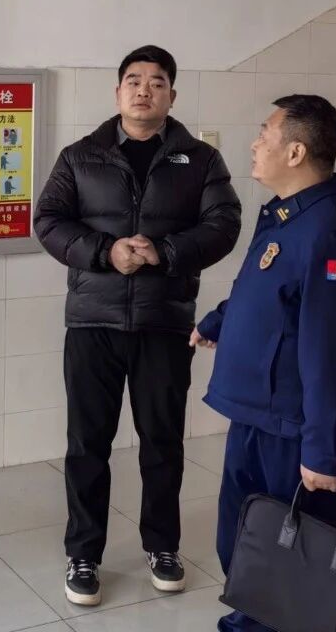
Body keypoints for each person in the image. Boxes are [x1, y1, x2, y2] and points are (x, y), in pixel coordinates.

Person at [34, 45, 243, 607]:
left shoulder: (201, 160)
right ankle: (83, 553)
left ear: (172, 95)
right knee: (87, 445)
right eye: (133, 80)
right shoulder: (80, 156)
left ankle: (163, 546)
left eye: (156, 82)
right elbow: (48, 220)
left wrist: (165, 253)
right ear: (118, 91)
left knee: (162, 443)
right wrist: (105, 252)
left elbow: (224, 224)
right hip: (92, 321)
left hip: (163, 323)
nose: (144, 90)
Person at [190, 94, 336, 632]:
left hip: (295, 431)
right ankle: (248, 621)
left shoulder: (333, 233)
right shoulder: (286, 214)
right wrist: (220, 322)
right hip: (257, 415)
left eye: (264, 134)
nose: (255, 144)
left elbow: (332, 351)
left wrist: (324, 450)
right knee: (245, 543)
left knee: (294, 562)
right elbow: (264, 290)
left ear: (295, 152)